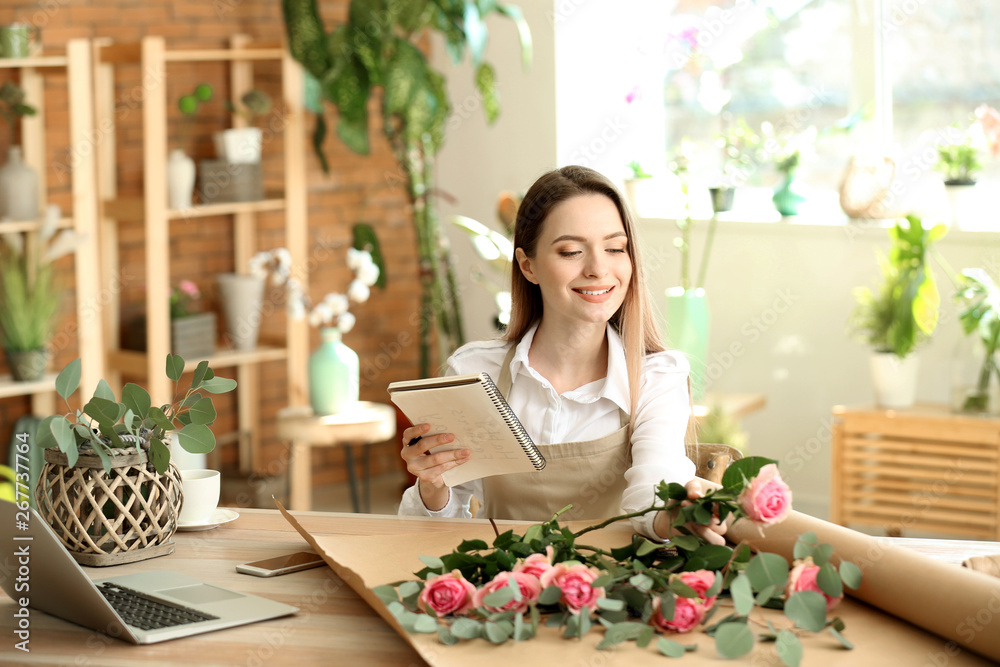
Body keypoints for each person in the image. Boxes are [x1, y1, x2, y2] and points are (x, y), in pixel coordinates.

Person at [397, 165, 724, 544]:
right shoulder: (474, 371)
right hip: (502, 589)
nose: (598, 269)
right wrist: (433, 482)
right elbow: (431, 532)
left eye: (615, 248)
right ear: (527, 265)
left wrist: (682, 514)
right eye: (571, 251)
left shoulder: (657, 377)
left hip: (617, 591)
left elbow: (653, 489)